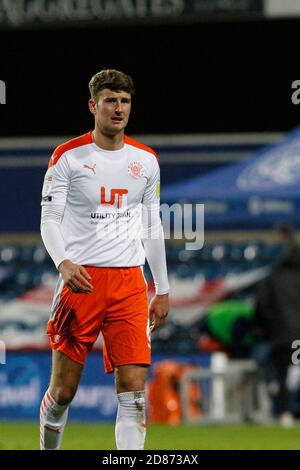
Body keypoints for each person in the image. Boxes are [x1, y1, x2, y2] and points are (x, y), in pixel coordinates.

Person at [39, 69, 169, 450]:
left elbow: (152, 225)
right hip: (81, 281)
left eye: (125, 101)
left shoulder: (146, 160)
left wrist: (162, 288)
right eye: (111, 100)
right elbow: (49, 219)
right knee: (63, 391)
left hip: (130, 283)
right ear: (93, 106)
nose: (119, 109)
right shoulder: (68, 157)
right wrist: (63, 262)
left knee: (133, 390)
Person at [253, 236, 300, 426]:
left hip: (281, 336)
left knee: (282, 375)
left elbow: (262, 306)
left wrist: (265, 330)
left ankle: (285, 412)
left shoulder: (273, 277)